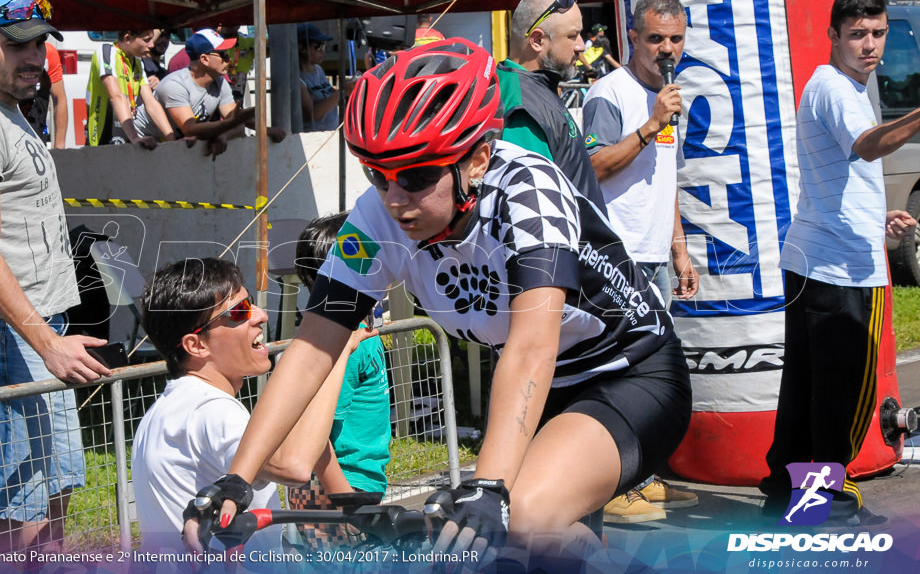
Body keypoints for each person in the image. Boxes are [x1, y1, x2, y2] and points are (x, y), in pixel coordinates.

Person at [182, 39, 692, 567]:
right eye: (377, 175)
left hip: (629, 375)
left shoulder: (527, 190)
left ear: (478, 158)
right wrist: (236, 480)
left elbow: (531, 347)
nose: (395, 199)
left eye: (418, 177)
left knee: (519, 520)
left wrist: (488, 486)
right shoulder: (376, 217)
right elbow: (314, 345)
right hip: (546, 389)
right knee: (534, 548)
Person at [0, 0, 112, 555]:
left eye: (41, 44)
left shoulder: (7, 108)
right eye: (18, 46)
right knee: (18, 515)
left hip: (34, 329)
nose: (35, 58)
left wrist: (51, 332)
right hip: (4, 335)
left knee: (52, 495)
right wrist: (45, 341)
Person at [760, 0, 920, 524]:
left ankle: (786, 491)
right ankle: (824, 498)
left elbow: (840, 177)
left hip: (818, 257)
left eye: (877, 34)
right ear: (833, 36)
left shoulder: (847, 88)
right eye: (856, 35)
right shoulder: (833, 86)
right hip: (839, 268)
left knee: (807, 387)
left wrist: (878, 219)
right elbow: (867, 145)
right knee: (843, 395)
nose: (868, 45)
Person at [132, 257, 368, 556]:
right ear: (197, 345)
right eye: (239, 312)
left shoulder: (167, 408)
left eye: (251, 302)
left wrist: (347, 501)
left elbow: (295, 439)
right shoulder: (213, 410)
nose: (261, 315)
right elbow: (292, 465)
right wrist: (336, 353)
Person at [581, 0, 700, 524]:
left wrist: (679, 249)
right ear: (633, 38)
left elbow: (664, 180)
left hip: (654, 254)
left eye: (675, 38)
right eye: (655, 38)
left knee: (653, 376)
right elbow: (593, 166)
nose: (666, 49)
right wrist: (650, 126)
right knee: (618, 373)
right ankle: (610, 484)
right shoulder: (610, 93)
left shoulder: (672, 98)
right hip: (615, 256)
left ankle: (644, 474)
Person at [284, 213, 392, 548]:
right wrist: (347, 502)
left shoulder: (353, 336)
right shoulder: (348, 344)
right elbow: (315, 436)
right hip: (338, 490)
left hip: (343, 487)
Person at [497, 0, 605, 210]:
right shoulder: (522, 105)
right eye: (572, 36)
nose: (581, 46)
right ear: (537, 40)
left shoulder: (533, 87)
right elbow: (531, 206)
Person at [134, 28, 284, 155]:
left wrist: (266, 130)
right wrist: (222, 130)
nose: (229, 60)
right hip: (143, 143)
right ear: (204, 59)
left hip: (173, 142)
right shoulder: (175, 85)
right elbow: (190, 129)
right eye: (224, 55)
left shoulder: (219, 81)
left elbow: (235, 119)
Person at [85, 27, 174, 147]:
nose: (152, 45)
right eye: (147, 40)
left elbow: (151, 103)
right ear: (127, 38)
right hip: (102, 133)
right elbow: (116, 96)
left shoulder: (137, 60)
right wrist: (134, 138)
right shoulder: (106, 51)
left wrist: (171, 139)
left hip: (127, 130)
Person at [18, 41, 68, 147]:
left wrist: (60, 145)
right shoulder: (5, 49)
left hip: (36, 128)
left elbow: (60, 99)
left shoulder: (48, 52)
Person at [297, 23, 341, 132]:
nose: (322, 50)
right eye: (318, 46)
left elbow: (328, 100)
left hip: (330, 134)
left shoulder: (318, 70)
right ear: (301, 48)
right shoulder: (297, 79)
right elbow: (311, 116)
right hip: (313, 139)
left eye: (324, 46)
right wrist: (340, 94)